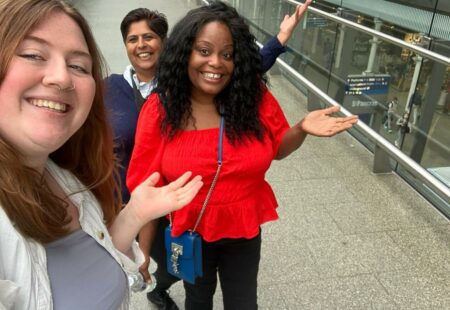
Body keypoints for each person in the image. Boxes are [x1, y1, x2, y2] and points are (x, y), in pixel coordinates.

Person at [127, 2, 358, 309]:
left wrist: (301, 128)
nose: (217, 63)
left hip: (243, 226)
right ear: (185, 52)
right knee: (198, 299)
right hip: (189, 228)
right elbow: (146, 189)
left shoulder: (252, 98)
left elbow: (277, 149)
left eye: (228, 54)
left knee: (243, 301)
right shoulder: (160, 109)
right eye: (204, 50)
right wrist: (142, 253)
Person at [0, 1, 203, 309]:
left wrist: (135, 214)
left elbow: (96, 257)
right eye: (32, 55)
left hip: (159, 202)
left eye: (79, 66)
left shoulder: (67, 179)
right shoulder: (114, 87)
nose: (62, 78)